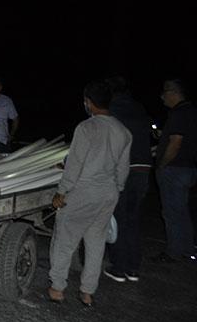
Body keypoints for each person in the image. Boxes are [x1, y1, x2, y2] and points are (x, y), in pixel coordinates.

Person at [48, 81, 132, 307]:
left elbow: (74, 165)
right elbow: (123, 169)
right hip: (108, 193)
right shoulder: (123, 131)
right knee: (96, 243)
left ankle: (57, 288)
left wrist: (61, 192)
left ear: (88, 102)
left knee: (65, 239)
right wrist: (117, 190)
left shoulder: (86, 128)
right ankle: (87, 292)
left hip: (83, 191)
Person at [102, 76, 154, 283]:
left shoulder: (112, 111)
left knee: (117, 218)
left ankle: (119, 267)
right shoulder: (139, 108)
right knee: (132, 219)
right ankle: (133, 268)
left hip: (124, 169)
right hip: (143, 169)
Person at [152, 79, 197, 263]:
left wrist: (162, 164)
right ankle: (187, 248)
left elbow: (176, 143)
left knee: (171, 211)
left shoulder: (179, 113)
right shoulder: (192, 112)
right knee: (181, 210)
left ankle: (174, 252)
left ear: (173, 92)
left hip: (175, 169)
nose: (162, 97)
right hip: (189, 167)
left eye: (164, 93)